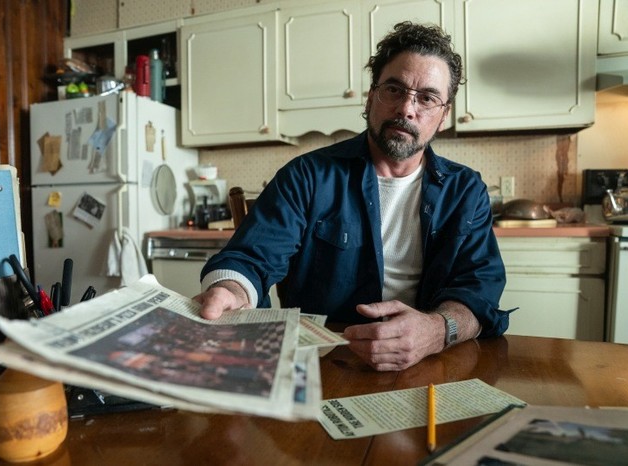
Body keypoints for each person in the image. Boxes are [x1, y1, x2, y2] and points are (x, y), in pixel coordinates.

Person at [194, 21, 509, 371]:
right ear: (371, 96)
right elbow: (251, 258)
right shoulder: (307, 176)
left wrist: (436, 330)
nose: (406, 109)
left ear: (444, 115)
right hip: (327, 363)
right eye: (394, 89)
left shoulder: (466, 191)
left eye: (427, 98)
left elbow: (478, 290)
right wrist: (231, 291)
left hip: (430, 362)